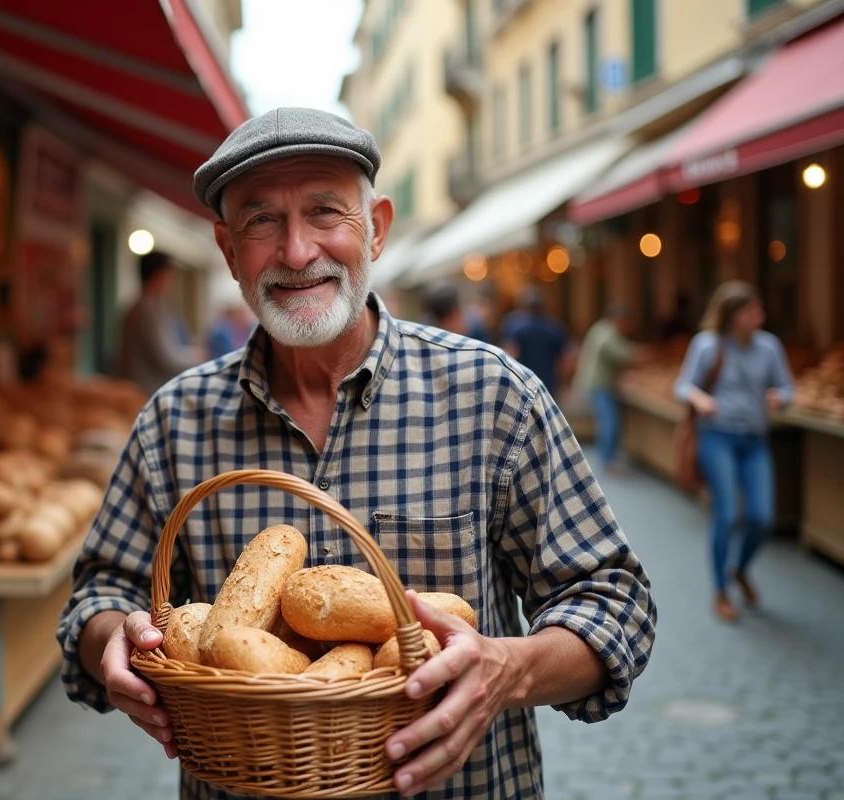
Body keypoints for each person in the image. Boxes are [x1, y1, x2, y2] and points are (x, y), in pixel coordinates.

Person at [57, 108, 655, 800]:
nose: (297, 251)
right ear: (227, 250)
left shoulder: (494, 397)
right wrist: (114, 647)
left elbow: (613, 602)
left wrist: (506, 667)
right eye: (261, 221)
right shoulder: (173, 421)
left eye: (324, 212)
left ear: (376, 226)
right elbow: (100, 595)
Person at [674, 281, 793, 623]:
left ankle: (739, 568)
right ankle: (721, 591)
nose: (759, 317)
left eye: (760, 310)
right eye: (751, 311)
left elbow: (787, 386)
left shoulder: (769, 347)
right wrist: (700, 399)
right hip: (717, 438)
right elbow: (684, 385)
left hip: (754, 441)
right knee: (726, 515)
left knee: (761, 516)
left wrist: (780, 398)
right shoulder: (708, 345)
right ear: (732, 315)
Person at [117, 250, 204, 396]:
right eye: (169, 276)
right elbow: (166, 358)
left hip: (141, 391)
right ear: (159, 275)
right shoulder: (147, 310)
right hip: (145, 393)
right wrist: (196, 355)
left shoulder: (143, 307)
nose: (171, 282)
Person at [575, 305, 638, 473]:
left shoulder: (599, 328)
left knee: (607, 420)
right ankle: (608, 460)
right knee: (609, 421)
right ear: (620, 320)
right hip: (600, 384)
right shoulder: (608, 333)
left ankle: (609, 457)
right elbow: (624, 355)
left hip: (597, 382)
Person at [499, 286, 572, 396]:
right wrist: (563, 382)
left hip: (522, 381)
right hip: (547, 383)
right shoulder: (554, 326)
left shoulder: (513, 325)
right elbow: (565, 359)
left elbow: (508, 354)